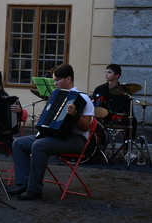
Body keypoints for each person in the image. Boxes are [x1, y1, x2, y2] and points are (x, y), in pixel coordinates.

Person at [9, 64, 94, 200]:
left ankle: (34, 190)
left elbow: (85, 127)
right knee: (19, 143)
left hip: (76, 140)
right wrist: (43, 118)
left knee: (39, 146)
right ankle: (23, 184)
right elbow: (52, 118)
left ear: (68, 79)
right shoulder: (56, 95)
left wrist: (75, 115)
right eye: (54, 80)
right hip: (56, 136)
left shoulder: (83, 98)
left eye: (57, 80)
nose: (55, 84)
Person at [92, 63, 135, 140]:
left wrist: (125, 114)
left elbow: (129, 110)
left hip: (117, 117)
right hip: (103, 116)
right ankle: (97, 141)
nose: (106, 74)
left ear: (116, 76)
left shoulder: (124, 92)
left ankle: (128, 144)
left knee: (133, 120)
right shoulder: (99, 89)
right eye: (106, 72)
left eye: (109, 72)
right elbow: (94, 104)